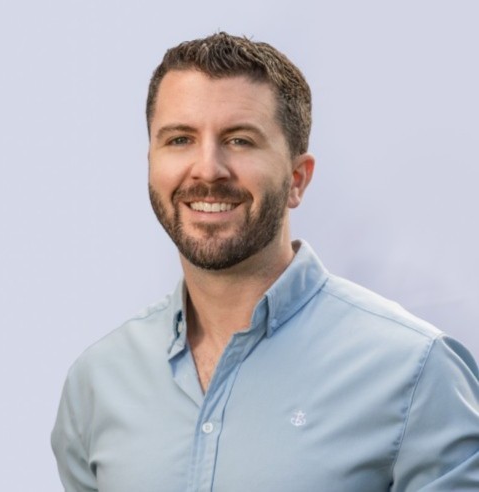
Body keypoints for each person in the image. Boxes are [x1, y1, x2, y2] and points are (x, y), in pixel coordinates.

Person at [51, 32, 479, 491]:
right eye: (180, 139)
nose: (207, 169)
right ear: (151, 163)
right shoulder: (98, 382)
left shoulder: (417, 373)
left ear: (297, 179)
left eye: (239, 140)